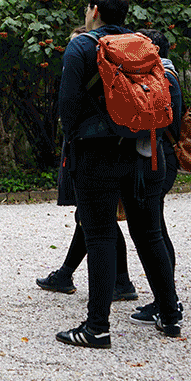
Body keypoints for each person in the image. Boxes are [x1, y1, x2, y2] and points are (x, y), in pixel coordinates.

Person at [56, 0, 181, 348]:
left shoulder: (82, 47)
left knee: (99, 236)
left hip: (97, 153)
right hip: (145, 151)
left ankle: (97, 328)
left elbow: (68, 105)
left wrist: (74, 141)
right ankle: (170, 315)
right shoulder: (142, 45)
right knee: (150, 233)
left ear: (94, 11)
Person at [39, 26, 137, 302]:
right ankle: (110, 281)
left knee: (94, 218)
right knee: (94, 218)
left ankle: (107, 289)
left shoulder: (88, 67)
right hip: (110, 143)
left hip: (91, 144)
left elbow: (67, 107)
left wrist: (72, 135)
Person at [130, 29, 184, 326]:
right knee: (155, 228)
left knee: (154, 231)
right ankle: (166, 299)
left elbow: (167, 121)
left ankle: (168, 301)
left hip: (160, 156)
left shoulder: (165, 77)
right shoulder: (164, 74)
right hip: (159, 156)